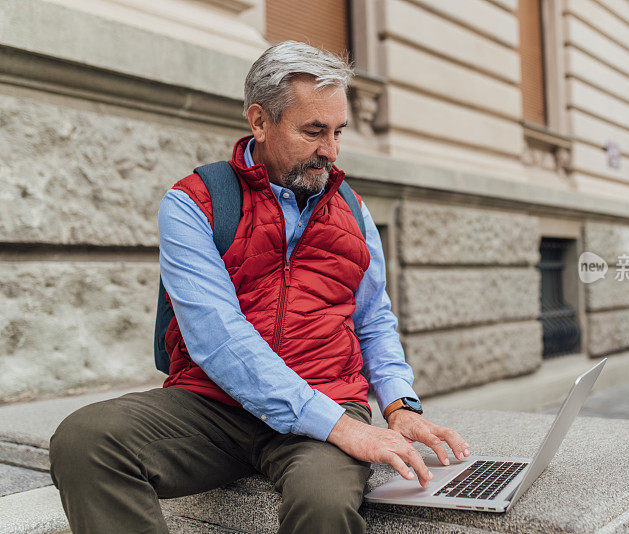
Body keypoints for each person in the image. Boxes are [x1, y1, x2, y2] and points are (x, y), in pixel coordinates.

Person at [49, 41, 468, 534]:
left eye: (338, 132)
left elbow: (373, 319)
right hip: (214, 407)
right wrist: (345, 430)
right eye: (313, 131)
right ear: (260, 121)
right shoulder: (194, 203)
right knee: (85, 440)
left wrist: (399, 406)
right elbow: (219, 340)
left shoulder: (354, 211)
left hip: (327, 398)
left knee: (325, 503)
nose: (330, 151)